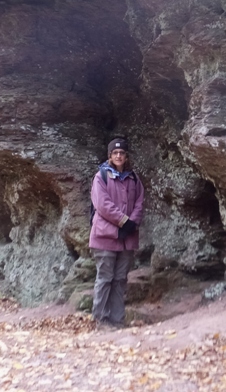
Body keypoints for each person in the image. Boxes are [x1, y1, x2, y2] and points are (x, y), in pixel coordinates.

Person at [89, 137, 144, 327]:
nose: (118, 156)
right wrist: (123, 221)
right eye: (115, 153)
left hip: (126, 239)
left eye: (121, 153)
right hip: (105, 236)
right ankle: (100, 320)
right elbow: (102, 204)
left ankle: (117, 320)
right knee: (105, 278)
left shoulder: (133, 178)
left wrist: (132, 223)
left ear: (126, 155)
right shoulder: (101, 176)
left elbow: (139, 202)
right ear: (110, 156)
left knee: (120, 279)